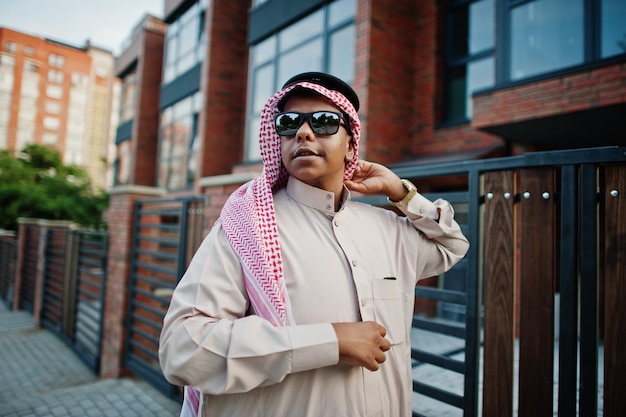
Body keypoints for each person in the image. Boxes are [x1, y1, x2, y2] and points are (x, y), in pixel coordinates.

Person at [158, 72, 469, 417]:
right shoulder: (245, 229)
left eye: (323, 122)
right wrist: (330, 341)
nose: (303, 132)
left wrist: (401, 193)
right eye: (289, 123)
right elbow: (183, 349)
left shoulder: (387, 229)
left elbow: (452, 245)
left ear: (352, 144)